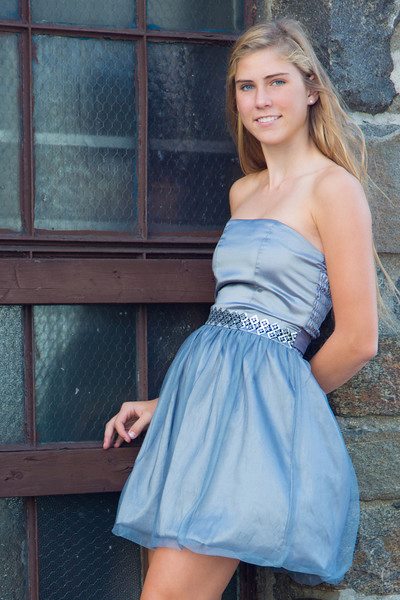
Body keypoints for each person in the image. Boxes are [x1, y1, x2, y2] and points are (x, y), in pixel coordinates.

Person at [102, 17, 396, 600]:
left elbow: (359, 339)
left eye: (276, 82)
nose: (261, 100)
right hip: (202, 410)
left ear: (311, 90)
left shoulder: (333, 190)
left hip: (255, 425)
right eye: (246, 86)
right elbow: (236, 316)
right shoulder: (245, 191)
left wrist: (277, 408)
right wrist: (168, 404)